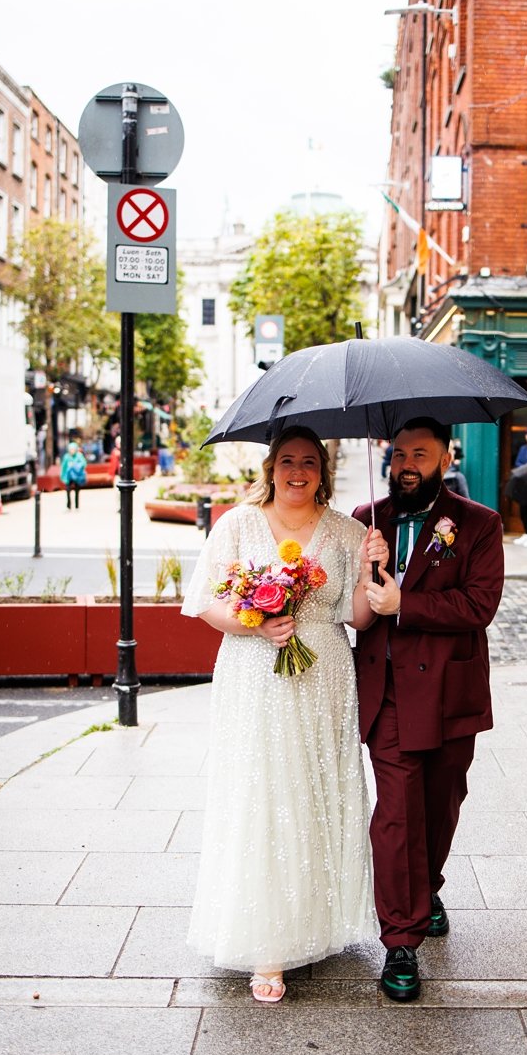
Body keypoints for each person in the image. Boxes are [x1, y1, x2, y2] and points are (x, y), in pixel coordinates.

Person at [182, 426, 381, 1003]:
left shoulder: (348, 531)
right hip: (253, 674)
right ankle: (265, 945)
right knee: (263, 792)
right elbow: (206, 603)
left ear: (323, 470)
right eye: (288, 461)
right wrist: (254, 621)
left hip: (325, 674)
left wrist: (371, 569)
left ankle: (318, 924)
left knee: (319, 790)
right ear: (271, 468)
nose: (299, 472)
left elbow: (359, 617)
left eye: (310, 463)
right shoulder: (237, 525)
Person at [355, 417, 504, 1002]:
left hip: (449, 694)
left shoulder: (479, 525)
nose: (405, 465)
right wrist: (365, 568)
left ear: (445, 458)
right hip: (388, 691)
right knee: (395, 816)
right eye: (398, 455)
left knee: (441, 807)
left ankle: (429, 885)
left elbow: (478, 604)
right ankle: (400, 940)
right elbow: (352, 603)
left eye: (420, 454)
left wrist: (404, 601)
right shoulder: (367, 520)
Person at [60, 440, 88, 510]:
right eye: (70, 449)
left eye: (73, 449)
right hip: (69, 477)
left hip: (77, 477)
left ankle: (76, 506)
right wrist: (63, 476)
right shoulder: (66, 457)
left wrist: (76, 466)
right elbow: (63, 467)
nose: (72, 451)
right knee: (68, 491)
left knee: (77, 491)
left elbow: (84, 464)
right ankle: (69, 505)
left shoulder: (79, 455)